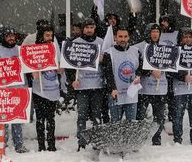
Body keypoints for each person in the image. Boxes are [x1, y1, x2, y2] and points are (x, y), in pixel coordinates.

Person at [0, 26, 30, 154]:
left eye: (13, 36)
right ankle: (2, 143)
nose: (11, 38)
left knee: (17, 119)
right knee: (3, 119)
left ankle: (19, 145)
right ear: (3, 37)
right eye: (8, 36)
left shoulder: (21, 50)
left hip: (18, 88)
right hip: (2, 90)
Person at [68, 18, 105, 150]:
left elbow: (108, 64)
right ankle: (82, 143)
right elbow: (70, 65)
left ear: (95, 28)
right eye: (87, 27)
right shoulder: (76, 43)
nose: (89, 30)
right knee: (82, 116)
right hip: (82, 86)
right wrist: (72, 80)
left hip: (97, 85)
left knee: (96, 115)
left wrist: (103, 59)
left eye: (91, 27)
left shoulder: (101, 42)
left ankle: (97, 142)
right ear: (83, 29)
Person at [133, 23, 168, 145]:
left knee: (159, 117)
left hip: (160, 89)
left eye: (157, 32)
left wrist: (163, 70)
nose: (155, 34)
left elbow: (171, 65)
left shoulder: (165, 48)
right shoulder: (138, 47)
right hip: (144, 89)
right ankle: (139, 140)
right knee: (140, 117)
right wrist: (150, 71)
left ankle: (156, 139)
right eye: (152, 31)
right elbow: (136, 67)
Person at [169, 28, 192, 145]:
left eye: (190, 37)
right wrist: (183, 76)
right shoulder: (175, 50)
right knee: (178, 114)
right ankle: (177, 138)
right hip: (180, 88)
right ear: (181, 38)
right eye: (185, 37)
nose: (188, 39)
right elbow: (170, 70)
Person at [29, 25, 60, 152]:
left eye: (51, 35)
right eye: (47, 35)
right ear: (41, 35)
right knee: (40, 119)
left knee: (51, 119)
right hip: (39, 91)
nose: (49, 38)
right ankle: (41, 145)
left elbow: (60, 69)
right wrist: (35, 70)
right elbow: (32, 74)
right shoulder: (34, 50)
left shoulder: (54, 48)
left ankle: (51, 144)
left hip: (52, 90)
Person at [102, 26, 142, 122]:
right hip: (116, 93)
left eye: (125, 36)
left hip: (131, 93)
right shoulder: (109, 53)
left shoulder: (135, 51)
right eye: (120, 36)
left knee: (131, 124)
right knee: (115, 123)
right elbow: (108, 73)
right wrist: (112, 88)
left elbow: (140, 67)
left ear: (128, 37)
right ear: (115, 38)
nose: (123, 39)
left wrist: (138, 76)